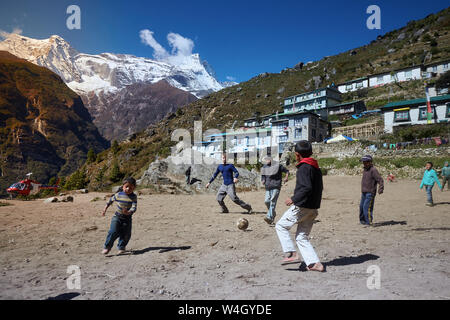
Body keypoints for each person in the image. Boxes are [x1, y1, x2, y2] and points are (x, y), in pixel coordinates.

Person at [275, 140, 324, 272]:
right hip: (313, 208)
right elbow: (319, 188)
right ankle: (314, 263)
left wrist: (293, 199)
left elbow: (306, 187)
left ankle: (291, 253)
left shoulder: (304, 167)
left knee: (280, 226)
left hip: (302, 207)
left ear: (297, 154)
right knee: (301, 237)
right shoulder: (315, 167)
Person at [101, 177, 138, 254]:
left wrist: (128, 212)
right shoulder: (118, 195)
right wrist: (105, 209)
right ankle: (107, 247)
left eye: (131, 187)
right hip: (117, 217)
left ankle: (121, 247)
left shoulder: (134, 197)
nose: (128, 189)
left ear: (134, 188)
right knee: (112, 231)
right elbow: (110, 201)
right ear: (123, 186)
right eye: (126, 186)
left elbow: (134, 207)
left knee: (126, 233)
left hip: (127, 218)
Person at [261, 156, 290, 225]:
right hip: (268, 186)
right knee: (267, 201)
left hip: (276, 186)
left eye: (268, 159)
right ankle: (273, 213)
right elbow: (263, 175)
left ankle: (269, 217)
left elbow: (287, 171)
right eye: (265, 159)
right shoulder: (264, 167)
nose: (266, 160)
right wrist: (263, 180)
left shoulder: (278, 166)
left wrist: (286, 177)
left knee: (272, 201)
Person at [359, 155, 384, 226]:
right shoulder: (365, 170)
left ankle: (369, 222)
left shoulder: (373, 170)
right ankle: (362, 221)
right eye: (363, 162)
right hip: (364, 192)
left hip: (370, 193)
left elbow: (380, 180)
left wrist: (381, 188)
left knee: (367, 208)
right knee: (361, 207)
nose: (364, 163)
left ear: (370, 162)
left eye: (365, 162)